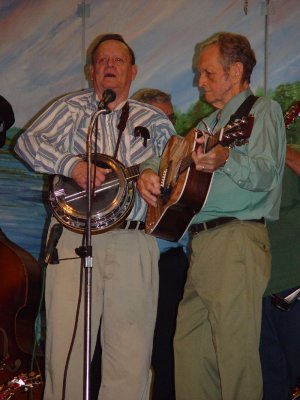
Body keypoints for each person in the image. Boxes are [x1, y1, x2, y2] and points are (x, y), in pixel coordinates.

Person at [15, 34, 176, 400]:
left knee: (130, 352)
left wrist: (155, 175)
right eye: (102, 61)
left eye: (118, 61)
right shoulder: (71, 108)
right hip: (73, 236)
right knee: (66, 345)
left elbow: (171, 161)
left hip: (134, 240)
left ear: (133, 71)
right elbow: (26, 143)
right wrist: (71, 164)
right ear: (91, 71)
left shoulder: (154, 119)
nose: (110, 66)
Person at [137, 32, 286, 400]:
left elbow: (267, 173)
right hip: (201, 246)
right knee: (190, 354)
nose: (198, 81)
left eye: (207, 73)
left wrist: (228, 158)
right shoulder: (206, 126)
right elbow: (168, 153)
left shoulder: (261, 111)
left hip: (236, 241)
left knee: (235, 359)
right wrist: (148, 172)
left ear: (235, 71)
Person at [131, 88, 189, 400]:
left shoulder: (182, 157)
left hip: (171, 263)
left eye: (170, 118)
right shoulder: (128, 159)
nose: (166, 126)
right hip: (133, 262)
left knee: (169, 351)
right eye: (157, 119)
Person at [260, 143, 300, 400]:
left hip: (293, 280)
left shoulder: (290, 151)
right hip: (256, 289)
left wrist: (281, 147)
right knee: (271, 382)